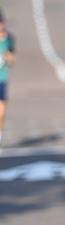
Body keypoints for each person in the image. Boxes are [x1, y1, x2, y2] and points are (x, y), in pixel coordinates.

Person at [0, 10, 16, 150]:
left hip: (2, 78)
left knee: (1, 110)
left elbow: (12, 61)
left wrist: (8, 56)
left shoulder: (9, 38)